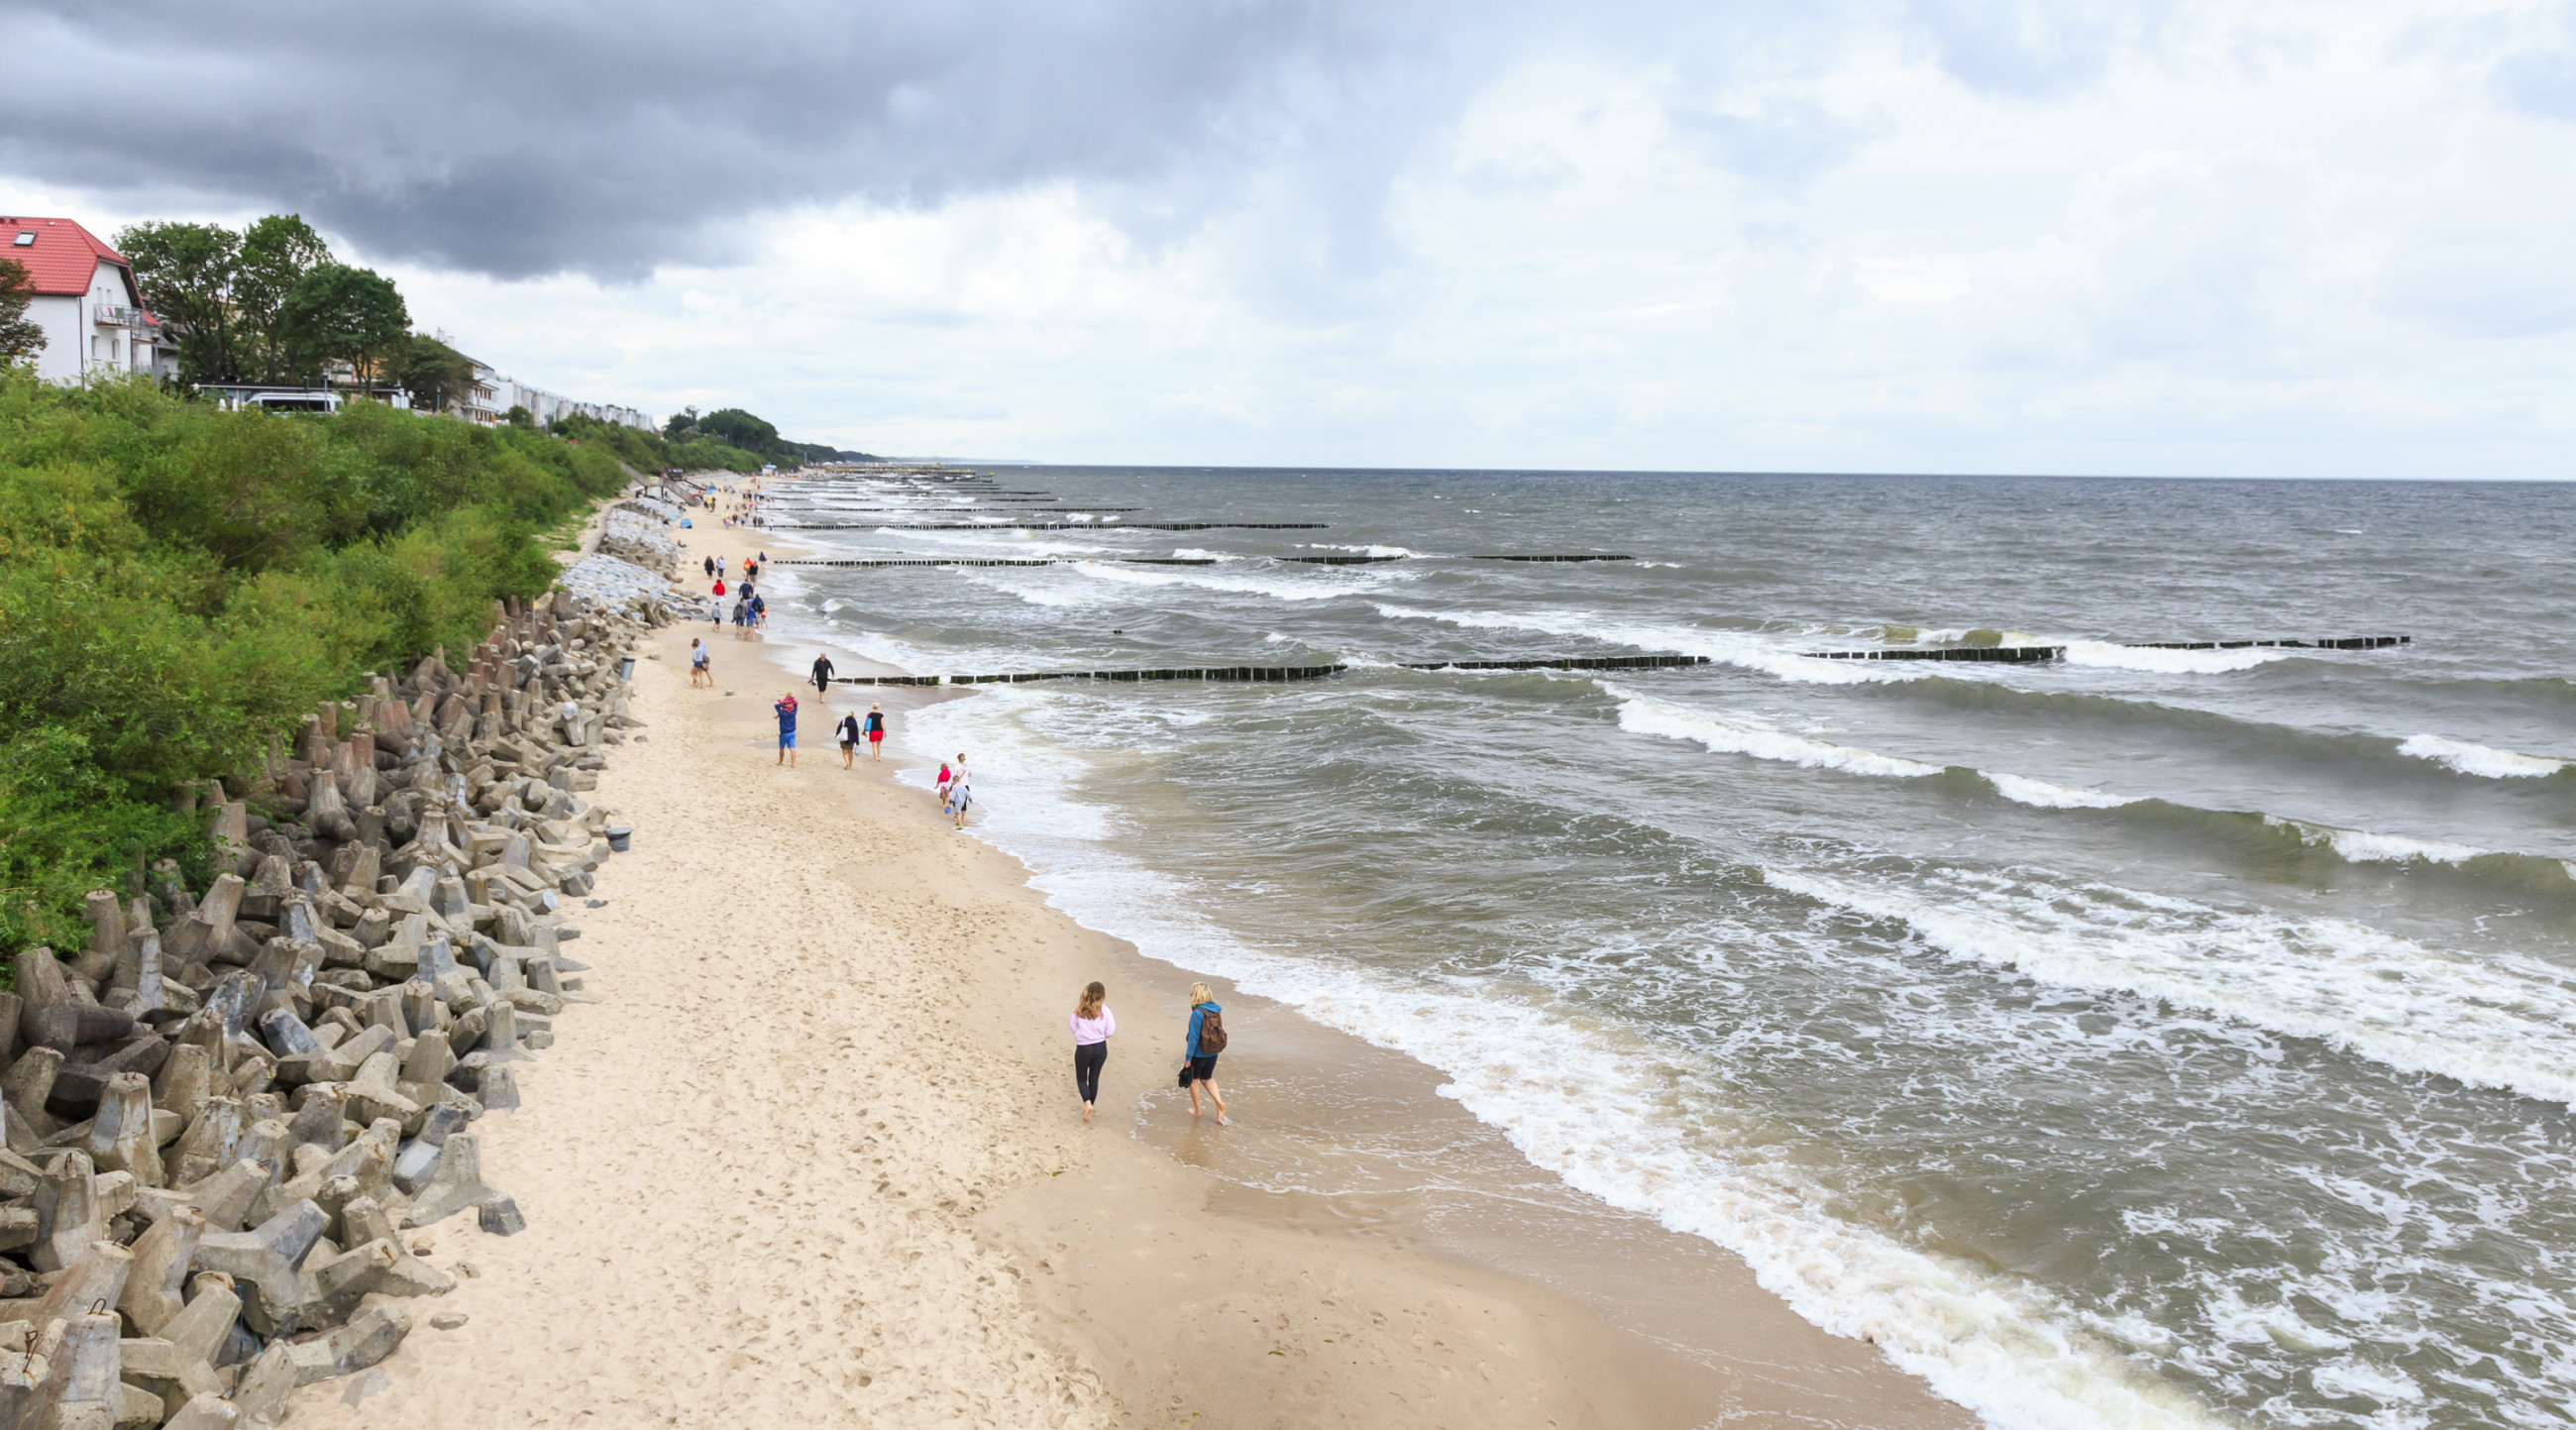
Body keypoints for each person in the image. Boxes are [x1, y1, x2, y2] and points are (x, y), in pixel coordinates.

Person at [1182, 982, 1230, 1124]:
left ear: (1197, 994)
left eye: (1193, 991)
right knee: (1207, 1078)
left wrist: (1188, 1058)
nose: (1190, 993)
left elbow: (1194, 1038)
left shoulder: (1198, 1013)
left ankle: (1197, 1111)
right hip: (1212, 1051)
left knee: (1193, 1080)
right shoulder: (1215, 1010)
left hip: (1198, 1053)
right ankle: (1219, 1102)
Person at [1071, 982, 1115, 1123]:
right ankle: (1090, 1106)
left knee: (1082, 1079)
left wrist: (1081, 1035)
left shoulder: (1079, 1010)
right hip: (1100, 1047)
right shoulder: (1105, 1011)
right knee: (1094, 1078)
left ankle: (1087, 1104)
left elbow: (1072, 1026)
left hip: (1084, 1048)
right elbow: (1110, 1031)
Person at [774, 691, 799, 767]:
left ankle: (781, 761)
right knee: (792, 747)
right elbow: (796, 704)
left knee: (781, 748)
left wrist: (784, 705)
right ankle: (793, 763)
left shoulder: (782, 713)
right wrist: (791, 704)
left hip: (784, 733)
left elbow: (776, 706)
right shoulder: (793, 712)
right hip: (792, 732)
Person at [947, 752, 971, 828]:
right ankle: (962, 820)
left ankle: (958, 819)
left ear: (958, 759)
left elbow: (953, 777)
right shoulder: (967, 766)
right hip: (966, 786)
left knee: (956, 803)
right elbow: (970, 775)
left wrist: (948, 785)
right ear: (964, 758)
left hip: (957, 786)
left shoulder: (956, 767)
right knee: (964, 804)